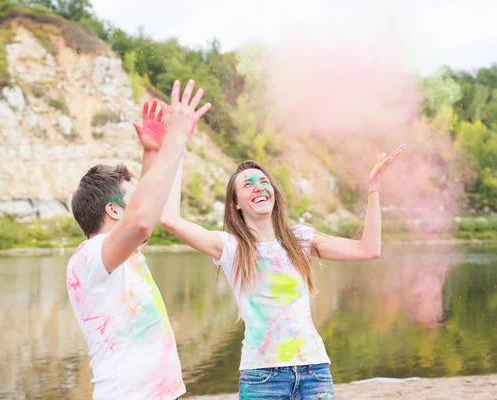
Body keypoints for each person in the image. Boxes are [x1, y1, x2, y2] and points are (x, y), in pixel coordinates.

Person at [161, 143, 406, 399]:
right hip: (262, 377)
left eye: (263, 181)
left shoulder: (299, 239)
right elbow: (170, 221)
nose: (258, 186)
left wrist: (373, 189)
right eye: (248, 184)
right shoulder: (230, 247)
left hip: (315, 372)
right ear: (236, 204)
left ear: (273, 192)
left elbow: (368, 249)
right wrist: (176, 154)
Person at [66, 79, 211, 400]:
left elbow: (140, 217)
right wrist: (176, 139)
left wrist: (152, 153)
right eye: (129, 201)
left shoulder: (119, 255)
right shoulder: (89, 257)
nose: (139, 206)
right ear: (114, 211)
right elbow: (142, 222)